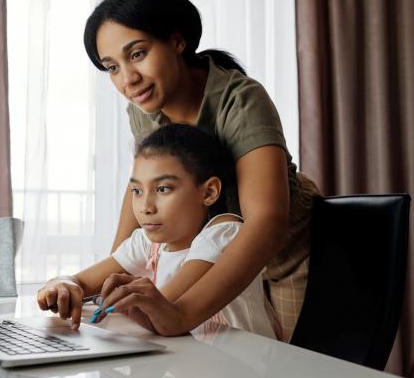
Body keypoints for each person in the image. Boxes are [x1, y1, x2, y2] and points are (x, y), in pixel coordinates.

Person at [78, 0, 321, 341]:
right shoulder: (143, 108)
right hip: (212, 250)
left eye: (138, 54)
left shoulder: (240, 99)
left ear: (178, 41)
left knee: (289, 362)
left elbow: (267, 221)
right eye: (111, 67)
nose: (128, 79)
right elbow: (141, 188)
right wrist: (118, 275)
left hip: (284, 252)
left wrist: (182, 314)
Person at [37, 124, 277, 339]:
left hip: (243, 364)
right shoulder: (148, 243)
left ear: (209, 192)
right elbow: (81, 281)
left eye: (163, 189)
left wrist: (117, 297)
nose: (145, 207)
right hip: (188, 360)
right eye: (137, 191)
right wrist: (62, 285)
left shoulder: (224, 234)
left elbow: (163, 310)